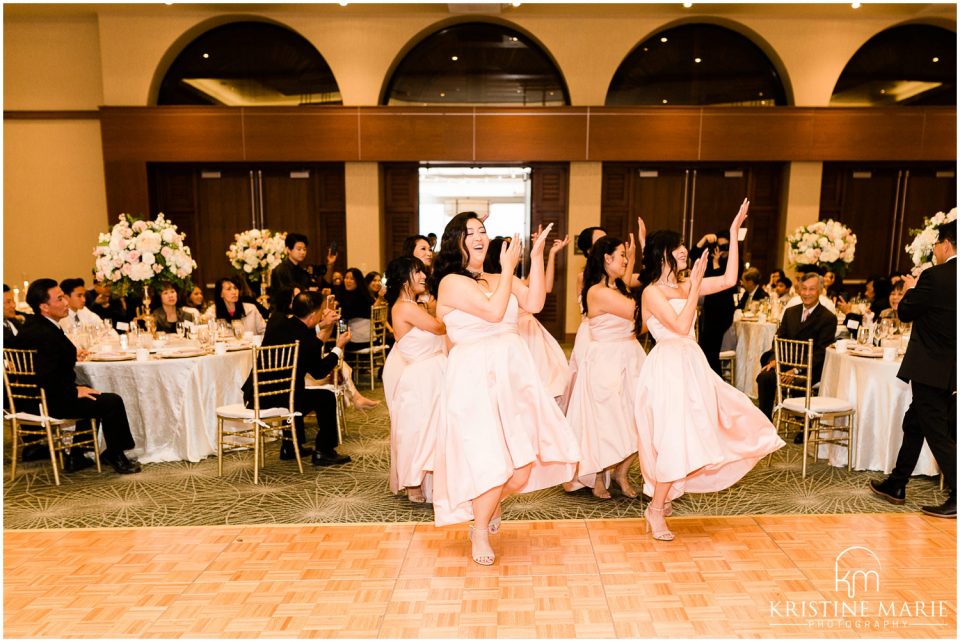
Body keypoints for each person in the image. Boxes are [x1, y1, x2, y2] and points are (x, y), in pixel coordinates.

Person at [430, 213, 580, 566]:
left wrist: (537, 256)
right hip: (473, 378)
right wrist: (510, 269)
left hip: (512, 376)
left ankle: (489, 506)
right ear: (455, 242)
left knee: (520, 468)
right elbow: (494, 312)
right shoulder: (451, 282)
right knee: (489, 457)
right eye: (470, 232)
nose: (479, 237)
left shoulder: (498, 278)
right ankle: (480, 530)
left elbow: (535, 303)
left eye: (482, 230)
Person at [633, 199, 784, 541]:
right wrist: (695, 286)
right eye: (677, 246)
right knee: (672, 435)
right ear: (662, 254)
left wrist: (734, 232)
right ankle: (655, 508)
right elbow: (679, 325)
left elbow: (730, 279)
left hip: (692, 364)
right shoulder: (652, 292)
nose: (684, 250)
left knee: (715, 420)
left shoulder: (687, 284)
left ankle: (661, 501)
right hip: (667, 367)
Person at [870, 220, 956, 518]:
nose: (935, 250)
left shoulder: (934, 276)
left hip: (929, 366)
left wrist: (910, 289)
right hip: (950, 367)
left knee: (936, 432)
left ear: (946, 244)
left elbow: (905, 312)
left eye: (936, 244)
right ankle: (897, 483)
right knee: (915, 422)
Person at [15, 278, 141, 474]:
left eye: (64, 297)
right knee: (111, 402)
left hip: (30, 399)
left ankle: (77, 455)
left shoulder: (34, 327)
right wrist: (73, 391)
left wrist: (71, 356)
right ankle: (115, 453)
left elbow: (46, 361)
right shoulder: (46, 334)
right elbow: (46, 376)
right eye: (59, 299)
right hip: (47, 400)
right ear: (44, 307)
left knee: (91, 393)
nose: (66, 302)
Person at [565, 235, 646, 500]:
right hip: (607, 360)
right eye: (621, 255)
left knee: (638, 418)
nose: (625, 260)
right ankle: (598, 475)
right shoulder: (597, 291)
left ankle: (621, 472)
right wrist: (662, 298)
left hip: (631, 357)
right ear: (606, 259)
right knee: (605, 421)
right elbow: (639, 317)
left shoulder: (619, 287)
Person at [244, 290, 353, 466]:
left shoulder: (276, 321)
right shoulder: (308, 342)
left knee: (297, 390)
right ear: (313, 314)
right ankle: (324, 450)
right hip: (283, 399)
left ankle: (290, 447)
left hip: (257, 395)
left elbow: (298, 329)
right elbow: (319, 372)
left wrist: (321, 325)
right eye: (320, 311)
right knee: (325, 397)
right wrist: (338, 347)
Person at [382, 256, 446, 504]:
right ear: (403, 278)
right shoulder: (405, 307)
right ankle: (413, 482)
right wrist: (438, 305)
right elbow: (440, 328)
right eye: (417, 272)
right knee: (416, 430)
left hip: (432, 374)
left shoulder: (412, 305)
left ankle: (429, 480)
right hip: (420, 378)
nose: (423, 276)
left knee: (432, 430)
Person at [484, 233, 571, 400]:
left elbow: (546, 287)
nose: (517, 255)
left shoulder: (513, 280)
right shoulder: (505, 282)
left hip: (529, 332)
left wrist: (550, 254)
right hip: (521, 334)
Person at [756, 272, 839, 442]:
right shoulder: (791, 312)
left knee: (798, 383)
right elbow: (778, 339)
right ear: (799, 290)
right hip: (785, 363)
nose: (807, 293)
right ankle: (766, 424)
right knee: (765, 377)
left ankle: (804, 425)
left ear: (820, 290)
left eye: (812, 289)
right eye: (804, 289)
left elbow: (821, 353)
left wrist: (796, 370)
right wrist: (774, 360)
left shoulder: (828, 318)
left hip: (811, 368)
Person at [691, 230, 737, 376]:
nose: (723, 249)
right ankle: (708, 379)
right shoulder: (711, 258)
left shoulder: (734, 261)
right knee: (704, 348)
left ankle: (716, 380)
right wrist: (704, 238)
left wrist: (716, 263)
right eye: (720, 246)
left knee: (712, 350)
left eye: (726, 246)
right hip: (710, 309)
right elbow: (693, 255)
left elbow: (726, 285)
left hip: (724, 310)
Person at [337, 268, 376, 349]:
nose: (348, 281)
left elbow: (343, 319)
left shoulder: (356, 299)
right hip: (372, 339)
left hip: (357, 341)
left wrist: (341, 336)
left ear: (358, 281)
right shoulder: (366, 295)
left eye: (352, 279)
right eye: (346, 278)